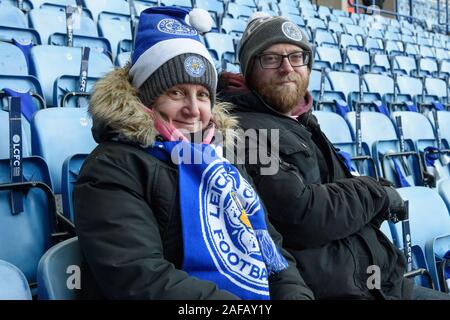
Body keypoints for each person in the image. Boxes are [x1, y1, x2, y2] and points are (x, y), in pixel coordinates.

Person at [73, 6, 314, 300]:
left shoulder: (223, 159)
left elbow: (271, 248)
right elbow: (140, 279)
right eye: (176, 92)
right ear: (145, 99)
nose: (193, 109)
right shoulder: (112, 168)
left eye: (202, 95)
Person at [217, 13, 450, 300]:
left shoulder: (303, 122)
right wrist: (376, 193)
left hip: (384, 285)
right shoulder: (239, 130)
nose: (287, 67)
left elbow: (339, 195)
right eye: (270, 58)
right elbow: (302, 214)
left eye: (297, 56)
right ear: (250, 70)